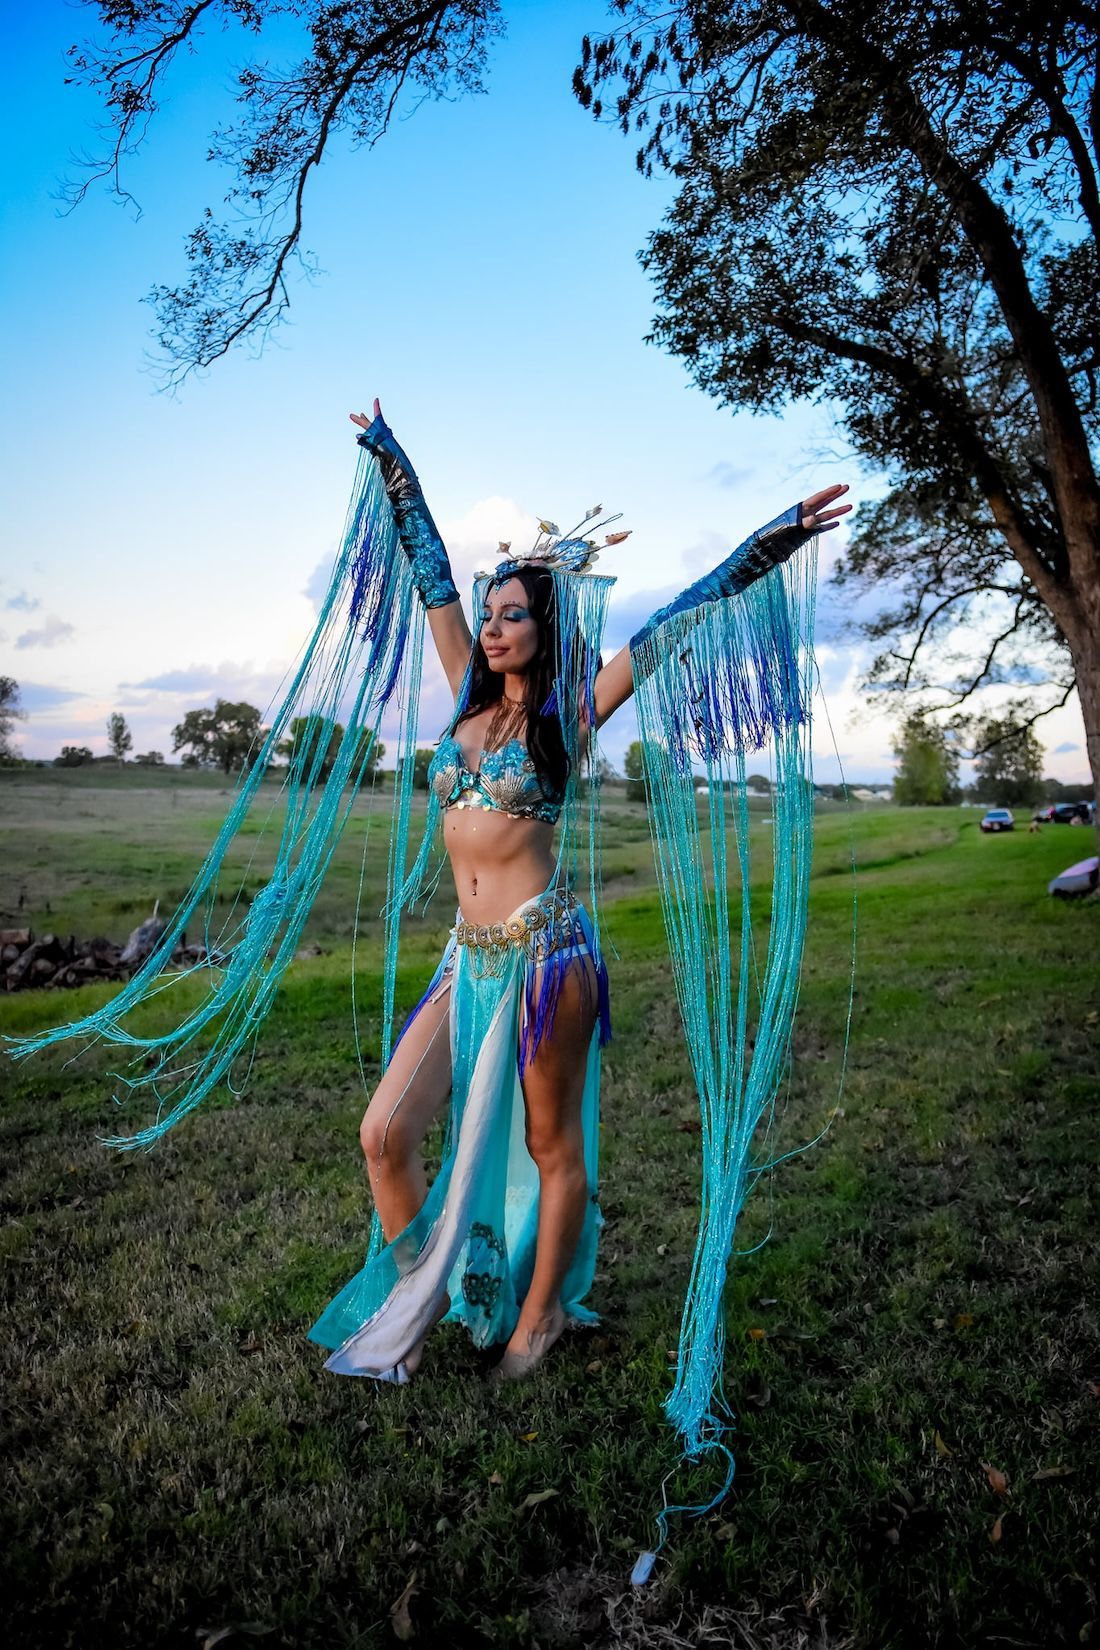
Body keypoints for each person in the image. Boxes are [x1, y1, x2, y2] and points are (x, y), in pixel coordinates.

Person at [306, 401, 850, 1385]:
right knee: (384, 1132)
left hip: (545, 956)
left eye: (515, 614)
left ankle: (541, 1314)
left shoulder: (566, 720)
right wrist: (392, 456)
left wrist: (769, 538)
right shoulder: (465, 700)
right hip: (462, 958)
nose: (496, 626)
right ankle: (431, 1290)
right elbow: (431, 570)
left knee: (555, 1145)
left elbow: (677, 620)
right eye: (492, 613)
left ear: (543, 627)